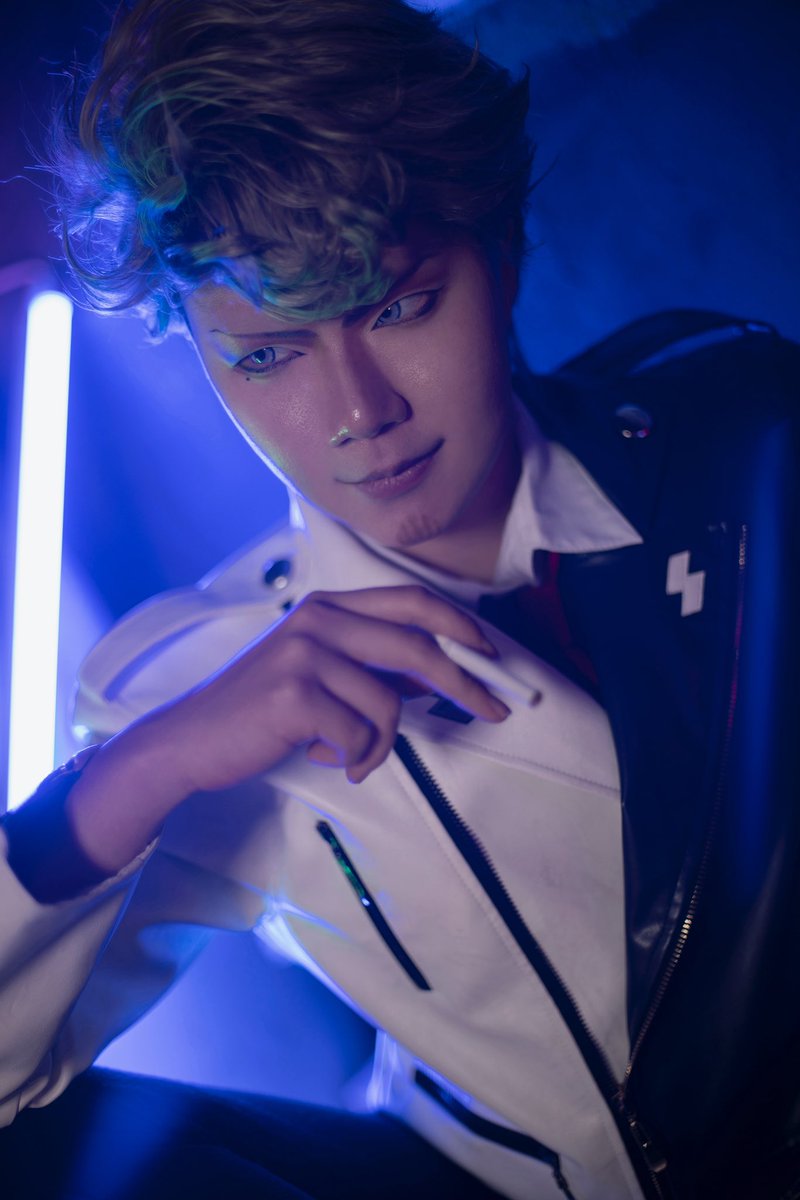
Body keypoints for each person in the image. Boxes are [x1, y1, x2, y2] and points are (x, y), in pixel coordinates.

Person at [1, 1, 798, 1198]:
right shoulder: (182, 689)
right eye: (266, 354)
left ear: (503, 249)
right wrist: (145, 767)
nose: (358, 413)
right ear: (195, 349)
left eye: (399, 305)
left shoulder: (741, 436)